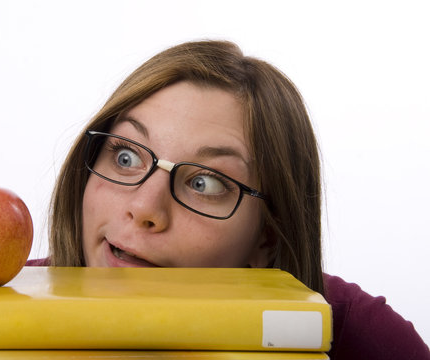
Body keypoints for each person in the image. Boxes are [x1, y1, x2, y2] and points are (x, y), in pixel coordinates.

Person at [29, 40, 429, 359]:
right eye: (126, 156)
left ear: (267, 237)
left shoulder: (362, 338)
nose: (145, 208)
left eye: (205, 183)